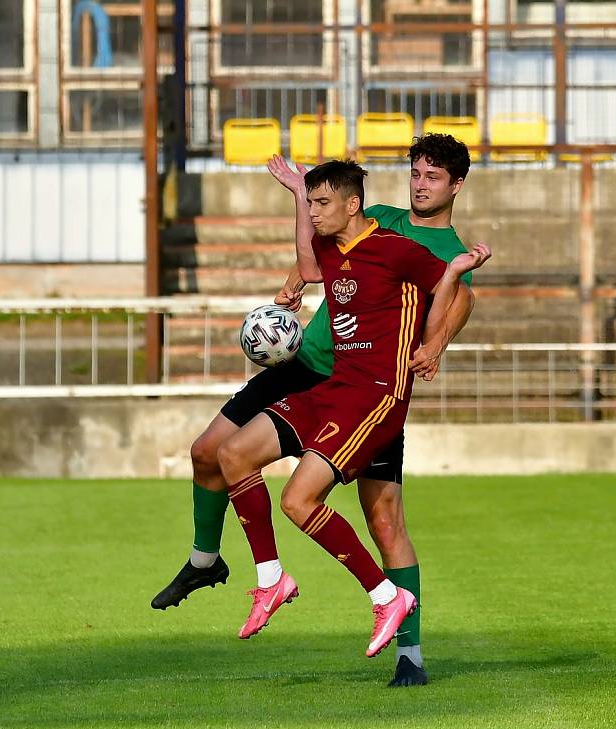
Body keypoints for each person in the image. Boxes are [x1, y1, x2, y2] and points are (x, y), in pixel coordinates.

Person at [151, 133, 487, 686]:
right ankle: (206, 562)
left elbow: (461, 298)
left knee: (384, 518)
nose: (420, 185)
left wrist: (436, 345)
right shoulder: (373, 214)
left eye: (433, 177)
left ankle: (411, 653)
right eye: (416, 173)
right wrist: (291, 269)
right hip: (307, 368)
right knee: (212, 451)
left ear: (456, 185)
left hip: (367, 392)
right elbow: (317, 258)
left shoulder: (447, 251)